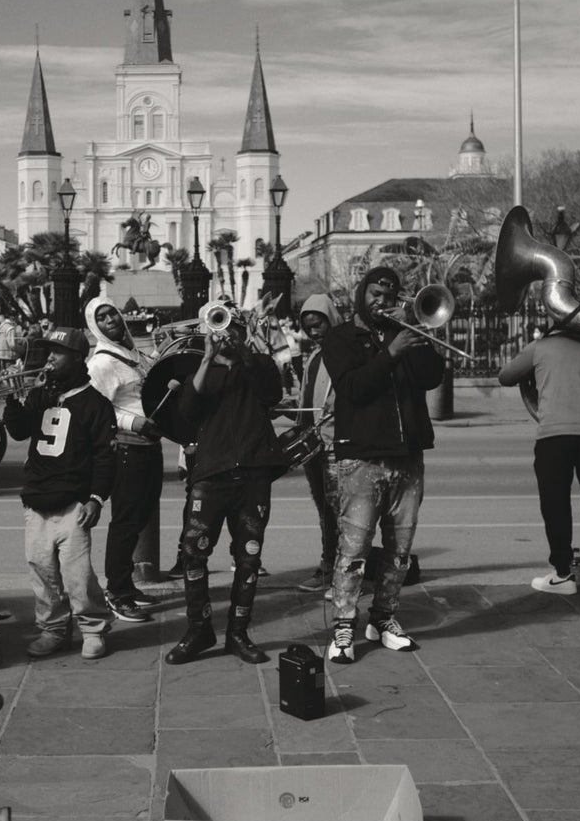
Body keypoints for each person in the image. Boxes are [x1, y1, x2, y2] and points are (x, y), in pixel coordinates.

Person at [321, 266, 444, 663]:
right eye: (375, 292)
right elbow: (353, 388)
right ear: (362, 295)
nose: (382, 300)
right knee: (353, 550)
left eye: (389, 294)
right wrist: (391, 353)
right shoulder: (340, 338)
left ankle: (384, 618)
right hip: (361, 457)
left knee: (400, 550)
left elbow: (431, 378)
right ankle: (343, 626)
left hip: (407, 455)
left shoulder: (405, 336)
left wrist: (420, 337)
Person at [165, 312, 287, 665]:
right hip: (211, 472)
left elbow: (271, 395)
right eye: (221, 326)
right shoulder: (200, 371)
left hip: (254, 473)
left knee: (248, 557)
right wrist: (206, 358)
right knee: (193, 551)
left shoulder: (259, 363)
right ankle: (198, 629)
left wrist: (245, 357)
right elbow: (188, 410)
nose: (228, 333)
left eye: (234, 326)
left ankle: (238, 633)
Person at [1, 327, 118, 661]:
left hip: (73, 503)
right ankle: (53, 629)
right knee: (42, 574)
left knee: (77, 576)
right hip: (37, 499)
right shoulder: (42, 395)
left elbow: (104, 457)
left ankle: (93, 629)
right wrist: (13, 398)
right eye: (48, 351)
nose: (49, 357)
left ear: (78, 358)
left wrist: (96, 498)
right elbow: (20, 430)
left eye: (57, 352)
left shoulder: (95, 404)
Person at [498, 322, 580, 595]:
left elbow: (505, 376)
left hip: (553, 435)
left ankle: (564, 574)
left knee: (555, 505)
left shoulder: (540, 347)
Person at [84, 297, 163, 623]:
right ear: (94, 326)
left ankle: (126, 585)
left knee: (139, 517)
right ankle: (116, 592)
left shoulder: (128, 353)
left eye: (111, 313)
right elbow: (96, 409)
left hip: (148, 447)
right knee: (126, 523)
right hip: (129, 449)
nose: (109, 320)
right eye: (101, 318)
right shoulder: (101, 363)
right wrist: (134, 422)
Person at [294, 293, 341, 593]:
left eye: (318, 324)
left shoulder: (343, 352)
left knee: (340, 512)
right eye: (308, 327)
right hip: (313, 446)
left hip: (335, 446)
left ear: (331, 319)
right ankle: (328, 566)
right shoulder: (314, 355)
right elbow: (308, 397)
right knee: (325, 510)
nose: (313, 332)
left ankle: (342, 573)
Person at [0, 310, 21, 384]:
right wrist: (20, 349)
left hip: (0, 355)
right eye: (17, 317)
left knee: (3, 376)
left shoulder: (0, 327)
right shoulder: (10, 328)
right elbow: (12, 344)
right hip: (9, 356)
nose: (18, 318)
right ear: (13, 317)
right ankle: (10, 393)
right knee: (11, 377)